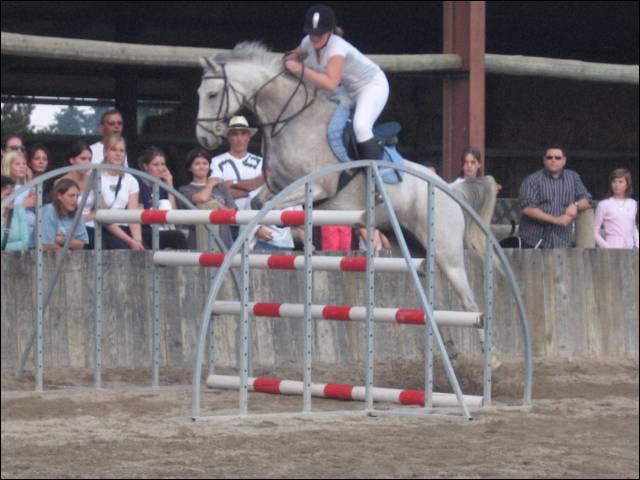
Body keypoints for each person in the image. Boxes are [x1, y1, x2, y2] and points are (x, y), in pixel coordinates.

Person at [284, 4, 389, 161]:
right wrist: (290, 58)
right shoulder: (308, 41)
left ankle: (373, 171)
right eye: (311, 33)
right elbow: (294, 54)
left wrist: (300, 68)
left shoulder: (337, 48)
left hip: (372, 86)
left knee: (361, 127)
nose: (314, 37)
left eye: (319, 34)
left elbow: (331, 84)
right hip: (348, 89)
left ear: (330, 32)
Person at [210, 115, 297, 251]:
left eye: (243, 134)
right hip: (228, 224)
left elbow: (263, 191)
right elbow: (217, 193)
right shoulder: (217, 161)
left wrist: (233, 184)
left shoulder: (261, 162)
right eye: (235, 134)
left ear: (248, 137)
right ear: (229, 137)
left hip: (255, 226)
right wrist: (250, 188)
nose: (239, 138)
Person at [518, 145, 592, 248]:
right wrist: (557, 220)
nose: (553, 160)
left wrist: (576, 205)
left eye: (558, 158)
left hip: (562, 241)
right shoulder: (531, 180)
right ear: (544, 160)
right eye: (549, 157)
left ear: (564, 161)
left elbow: (587, 200)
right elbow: (527, 208)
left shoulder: (573, 177)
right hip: (534, 241)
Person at [179, 147, 237, 249]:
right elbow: (202, 198)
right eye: (197, 164)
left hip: (224, 242)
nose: (201, 167)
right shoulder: (185, 189)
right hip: (198, 243)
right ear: (190, 168)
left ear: (209, 166)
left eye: (205, 163)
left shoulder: (220, 187)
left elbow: (233, 214)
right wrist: (210, 184)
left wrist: (217, 204)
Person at [136, 146, 188, 250]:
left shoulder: (162, 186)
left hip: (162, 227)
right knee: (178, 237)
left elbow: (173, 214)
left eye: (163, 164)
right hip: (145, 230)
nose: (160, 168)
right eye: (156, 165)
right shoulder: (138, 183)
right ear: (146, 166)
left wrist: (170, 185)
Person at [99, 134, 144, 250]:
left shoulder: (131, 180)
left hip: (126, 229)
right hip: (105, 229)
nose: (118, 154)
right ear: (105, 152)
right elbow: (103, 217)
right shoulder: (96, 177)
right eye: (113, 149)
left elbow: (133, 215)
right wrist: (130, 241)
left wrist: (138, 241)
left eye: (121, 150)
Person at [59, 141, 96, 248]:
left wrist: (89, 216)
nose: (87, 163)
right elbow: (60, 213)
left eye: (89, 159)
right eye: (83, 159)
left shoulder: (94, 181)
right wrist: (86, 218)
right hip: (70, 229)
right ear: (71, 160)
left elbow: (102, 207)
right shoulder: (61, 182)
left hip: (92, 227)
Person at [593, 168, 638, 249]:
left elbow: (633, 226)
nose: (617, 185)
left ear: (627, 184)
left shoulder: (632, 203)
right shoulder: (604, 204)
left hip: (630, 249)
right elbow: (594, 231)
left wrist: (638, 245)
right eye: (614, 181)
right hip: (612, 247)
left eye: (620, 182)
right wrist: (607, 247)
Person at [41, 178, 89, 251]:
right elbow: (46, 245)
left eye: (77, 196)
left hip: (66, 255)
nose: (75, 199)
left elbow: (81, 244)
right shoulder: (49, 210)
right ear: (59, 196)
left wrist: (61, 239)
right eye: (71, 196)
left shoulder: (77, 213)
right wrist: (68, 251)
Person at [1, 149, 36, 246]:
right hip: (11, 237)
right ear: (8, 166)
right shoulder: (3, 189)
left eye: (24, 164)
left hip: (31, 236)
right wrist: (23, 205)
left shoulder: (28, 187)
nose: (22, 167)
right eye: (18, 164)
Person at [1, 175, 29, 251]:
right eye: (8, 195)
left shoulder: (19, 210)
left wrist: (3, 248)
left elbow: (25, 243)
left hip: (16, 257)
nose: (12, 198)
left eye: (13, 194)